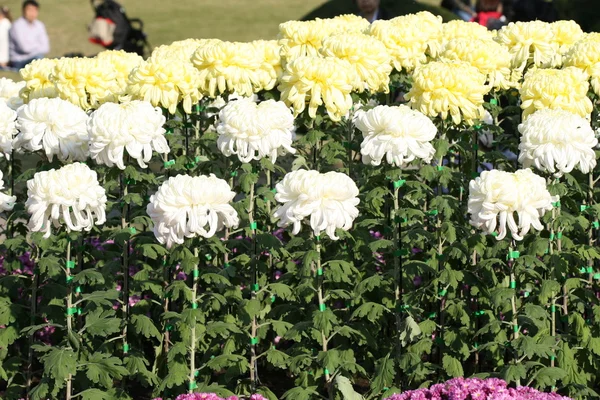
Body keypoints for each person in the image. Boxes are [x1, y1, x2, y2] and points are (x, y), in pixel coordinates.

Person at [9, 0, 49, 69]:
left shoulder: (39, 25)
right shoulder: (17, 26)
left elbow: (46, 48)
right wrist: (38, 46)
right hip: (20, 61)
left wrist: (33, 47)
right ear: (23, 10)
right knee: (39, 60)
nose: (32, 13)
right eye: (30, 10)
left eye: (35, 10)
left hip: (36, 57)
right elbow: (24, 48)